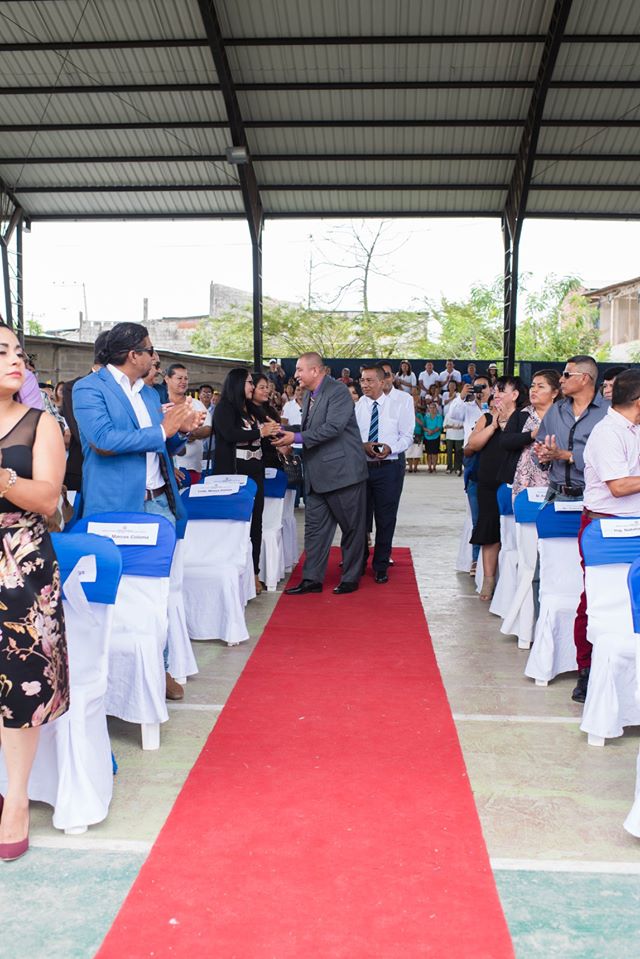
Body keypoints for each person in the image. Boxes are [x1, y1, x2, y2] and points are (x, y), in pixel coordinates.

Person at [73, 323, 202, 701]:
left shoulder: (147, 393)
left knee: (158, 593)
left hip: (159, 501)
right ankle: (107, 675)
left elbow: (160, 444)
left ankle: (159, 667)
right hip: (115, 505)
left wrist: (181, 431)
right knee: (118, 592)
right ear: (133, 355)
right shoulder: (89, 389)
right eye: (150, 350)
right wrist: (164, 430)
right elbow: (104, 440)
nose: (155, 357)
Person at [0, 323, 69, 862]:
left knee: (19, 685)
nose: (15, 359)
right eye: (2, 351)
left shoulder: (40, 422)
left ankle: (17, 800)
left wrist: (3, 479)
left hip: (20, 566)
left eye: (19, 352)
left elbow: (48, 500)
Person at [569, 369, 640, 705]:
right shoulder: (607, 433)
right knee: (598, 599)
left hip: (634, 523)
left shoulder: (634, 429)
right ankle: (587, 669)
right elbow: (619, 486)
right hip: (606, 527)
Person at [275, 352, 368, 595]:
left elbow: (332, 428)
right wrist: (282, 429)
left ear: (315, 371)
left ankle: (350, 578)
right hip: (317, 476)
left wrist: (295, 437)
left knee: (352, 529)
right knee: (315, 531)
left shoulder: (338, 391)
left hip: (342, 474)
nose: (296, 375)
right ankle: (312, 579)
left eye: (299, 369)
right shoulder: (308, 395)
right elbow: (310, 428)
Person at [213, 369, 279, 595]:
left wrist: (276, 435)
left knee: (256, 522)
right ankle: (234, 572)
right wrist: (260, 432)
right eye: (250, 383)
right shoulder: (224, 408)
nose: (252, 387)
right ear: (238, 384)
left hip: (255, 469)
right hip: (233, 472)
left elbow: (265, 433)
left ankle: (254, 572)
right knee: (236, 524)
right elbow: (230, 434)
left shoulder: (252, 409)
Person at [466, 376, 528, 600]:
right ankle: (489, 580)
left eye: (502, 390)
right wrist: (493, 426)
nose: (496, 394)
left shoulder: (525, 418)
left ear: (515, 395)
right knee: (489, 532)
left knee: (514, 534)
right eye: (496, 390)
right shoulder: (487, 417)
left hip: (513, 484)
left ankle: (513, 581)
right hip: (488, 483)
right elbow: (472, 445)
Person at [355, 365, 413, 582]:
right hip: (361, 468)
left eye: (369, 380)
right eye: (362, 380)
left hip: (388, 467)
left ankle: (380, 565)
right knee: (359, 518)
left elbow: (407, 436)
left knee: (385, 518)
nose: (364, 384)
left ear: (382, 382)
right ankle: (358, 562)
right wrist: (362, 446)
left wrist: (391, 448)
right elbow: (349, 436)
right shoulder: (357, 406)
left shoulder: (398, 405)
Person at [447, 375, 492, 573]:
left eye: (484, 386)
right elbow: (453, 415)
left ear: (492, 388)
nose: (480, 390)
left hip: (493, 459)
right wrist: (461, 396)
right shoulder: (466, 407)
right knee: (475, 513)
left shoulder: (496, 408)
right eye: (476, 387)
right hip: (473, 459)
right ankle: (475, 558)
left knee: (490, 513)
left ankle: (487, 559)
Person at [505, 370, 561, 499]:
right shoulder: (521, 414)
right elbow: (505, 441)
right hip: (522, 481)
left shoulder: (563, 416)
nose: (534, 390)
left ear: (554, 393)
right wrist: (531, 435)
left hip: (554, 482)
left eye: (540, 386)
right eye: (532, 386)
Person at [166, 363, 212, 485]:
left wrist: (192, 433)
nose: (183, 381)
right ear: (167, 379)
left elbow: (208, 428)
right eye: (179, 378)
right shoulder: (161, 403)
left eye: (186, 378)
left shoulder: (196, 404)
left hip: (193, 467)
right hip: (169, 468)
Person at [443, 400, 464, 475]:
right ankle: (449, 468)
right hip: (450, 436)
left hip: (459, 436)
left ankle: (458, 468)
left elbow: (465, 424)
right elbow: (444, 426)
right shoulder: (448, 415)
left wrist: (460, 427)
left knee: (458, 453)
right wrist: (452, 426)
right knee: (449, 452)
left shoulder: (462, 415)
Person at [406, 394, 425, 473]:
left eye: (415, 408)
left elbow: (422, 424)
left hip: (418, 435)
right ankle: (410, 467)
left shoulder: (419, 415)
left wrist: (415, 417)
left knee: (417, 452)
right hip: (409, 435)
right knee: (409, 452)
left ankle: (415, 467)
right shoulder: (406, 415)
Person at [423, 401, 443, 473]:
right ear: (429, 409)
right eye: (430, 408)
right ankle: (429, 467)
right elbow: (423, 426)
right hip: (427, 436)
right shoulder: (426, 417)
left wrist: (432, 431)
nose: (432, 409)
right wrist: (428, 430)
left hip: (435, 436)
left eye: (433, 408)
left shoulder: (439, 416)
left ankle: (434, 467)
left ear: (436, 409)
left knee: (435, 453)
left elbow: (439, 426)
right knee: (428, 453)